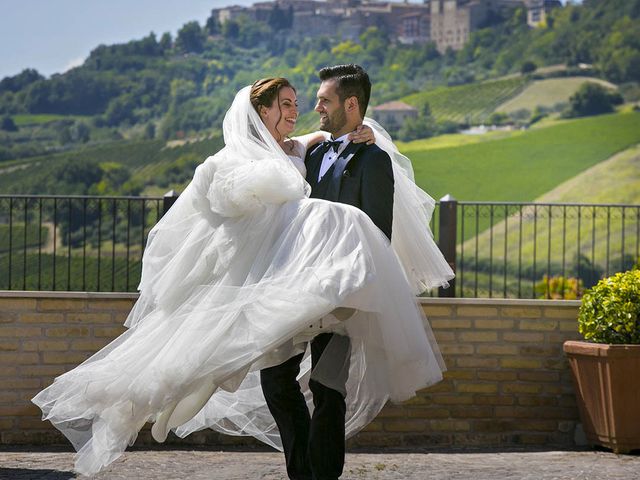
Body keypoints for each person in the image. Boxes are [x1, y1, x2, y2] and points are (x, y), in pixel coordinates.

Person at [32, 71, 453, 477]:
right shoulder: (298, 153)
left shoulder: (355, 154)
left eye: (312, 102)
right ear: (261, 112)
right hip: (283, 289)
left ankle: (321, 475)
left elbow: (377, 227)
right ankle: (301, 470)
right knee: (275, 380)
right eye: (287, 105)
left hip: (338, 293)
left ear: (351, 104)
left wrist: (370, 138)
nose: (305, 110)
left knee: (328, 387)